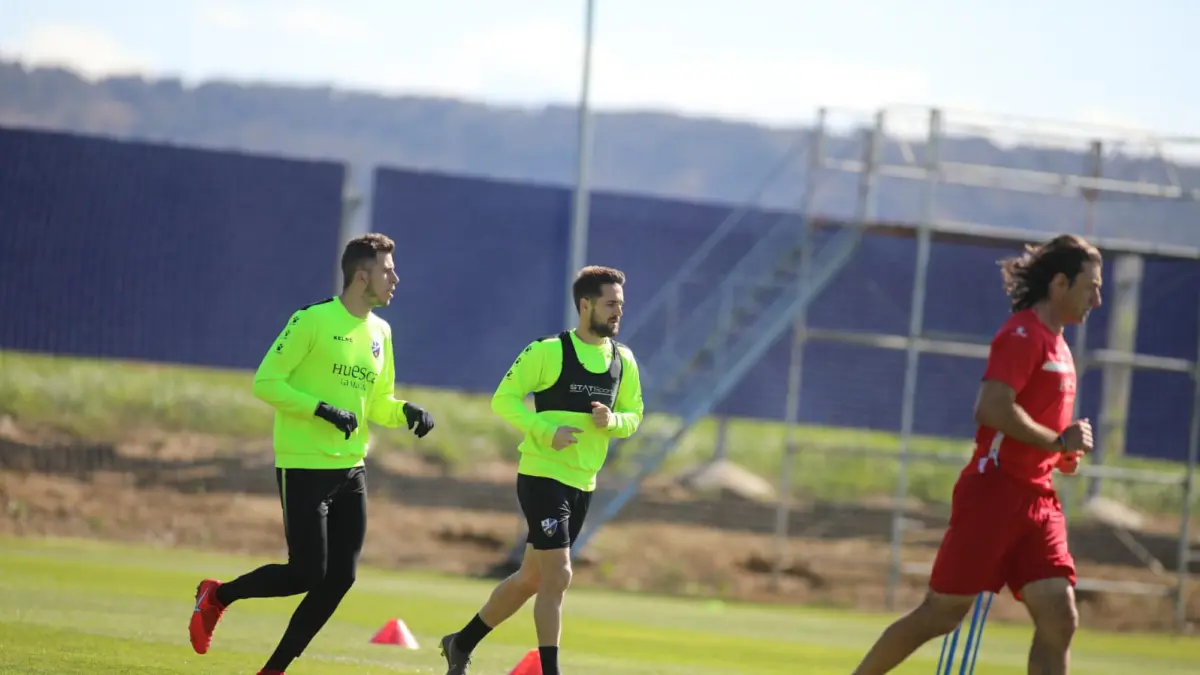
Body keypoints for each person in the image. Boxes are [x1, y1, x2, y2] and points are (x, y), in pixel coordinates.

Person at [186, 233, 436, 675]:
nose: (395, 278)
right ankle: (217, 596)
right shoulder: (312, 320)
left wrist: (406, 412)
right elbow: (266, 382)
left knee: (341, 577)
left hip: (351, 468)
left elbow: (378, 403)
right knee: (305, 573)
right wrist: (321, 409)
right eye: (387, 270)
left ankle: (274, 669)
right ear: (362, 276)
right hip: (304, 464)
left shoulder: (381, 332)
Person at [852, 234, 1102, 675]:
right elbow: (991, 409)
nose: (1097, 300)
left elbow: (1044, 430)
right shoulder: (1022, 334)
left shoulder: (1061, 345)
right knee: (942, 613)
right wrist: (1055, 441)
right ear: (1060, 283)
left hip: (1038, 500)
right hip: (996, 491)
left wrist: (1061, 454)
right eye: (1091, 288)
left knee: (1060, 617)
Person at [439, 265, 645, 675]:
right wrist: (546, 430)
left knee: (531, 579)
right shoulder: (547, 351)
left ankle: (460, 643)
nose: (618, 311)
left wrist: (613, 421)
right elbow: (504, 400)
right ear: (585, 305)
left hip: (583, 482)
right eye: (610, 303)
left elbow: (635, 414)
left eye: (621, 304)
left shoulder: (623, 359)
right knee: (559, 574)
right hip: (542, 476)